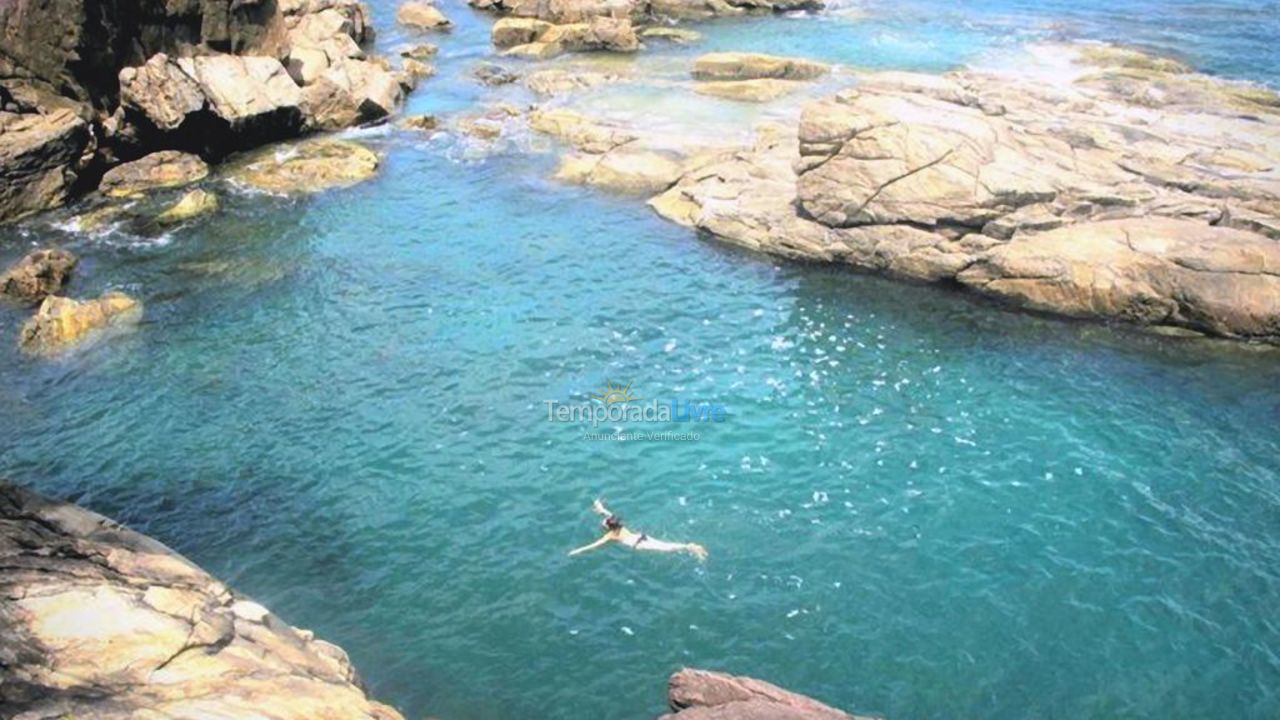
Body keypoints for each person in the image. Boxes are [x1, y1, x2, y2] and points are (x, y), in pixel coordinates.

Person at [568, 499, 708, 560]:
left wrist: (577, 551)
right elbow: (607, 513)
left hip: (639, 545)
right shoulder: (619, 525)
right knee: (666, 545)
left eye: (605, 523)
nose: (603, 523)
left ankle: (691, 548)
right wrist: (599, 508)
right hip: (642, 537)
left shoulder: (610, 536)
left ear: (610, 527)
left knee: (666, 549)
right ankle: (691, 547)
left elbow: (593, 546)